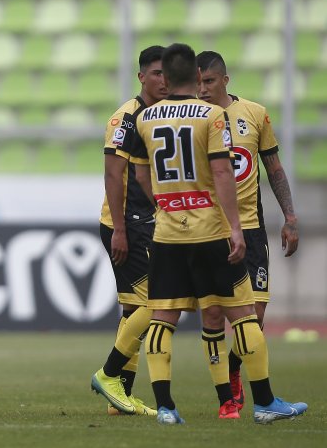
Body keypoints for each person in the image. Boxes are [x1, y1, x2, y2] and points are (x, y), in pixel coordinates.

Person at [123, 42, 306, 425]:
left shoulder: (146, 117)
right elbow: (222, 172)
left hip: (169, 232)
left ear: (167, 78)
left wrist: (165, 204)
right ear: (194, 77)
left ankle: (166, 407)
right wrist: (233, 226)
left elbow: (138, 173)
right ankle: (261, 401)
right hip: (213, 228)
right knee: (240, 315)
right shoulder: (211, 116)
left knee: (162, 319)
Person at [197, 50, 299, 418]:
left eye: (209, 81)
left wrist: (289, 216)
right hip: (208, 230)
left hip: (251, 230)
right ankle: (229, 397)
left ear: (225, 80)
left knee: (254, 314)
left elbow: (273, 167)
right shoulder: (194, 118)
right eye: (198, 82)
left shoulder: (254, 114)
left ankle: (236, 373)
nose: (203, 89)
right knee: (212, 315)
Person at [90, 45, 167, 416]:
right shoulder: (126, 118)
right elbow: (113, 174)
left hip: (149, 224)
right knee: (154, 304)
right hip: (126, 225)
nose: (163, 80)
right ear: (141, 77)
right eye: (155, 73)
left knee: (134, 309)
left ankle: (120, 398)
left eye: (167, 73)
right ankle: (109, 374)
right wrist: (119, 229)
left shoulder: (167, 117)